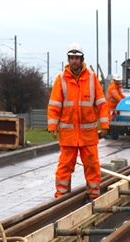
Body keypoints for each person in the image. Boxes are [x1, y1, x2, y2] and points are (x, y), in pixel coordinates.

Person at [47, 42, 109, 201]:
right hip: (68, 134)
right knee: (65, 165)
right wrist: (52, 125)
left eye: (77, 58)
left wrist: (105, 124)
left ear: (82, 59)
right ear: (68, 59)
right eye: (72, 58)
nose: (74, 61)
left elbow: (101, 103)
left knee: (92, 165)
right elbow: (54, 104)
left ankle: (94, 195)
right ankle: (61, 196)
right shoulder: (61, 80)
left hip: (88, 134)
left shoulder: (91, 78)